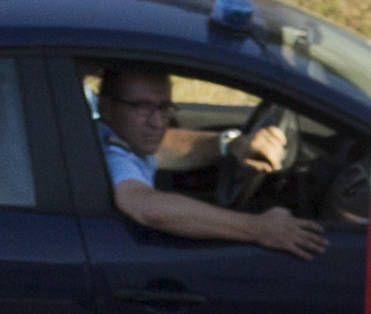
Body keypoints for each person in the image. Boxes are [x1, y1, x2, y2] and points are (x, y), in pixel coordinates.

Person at [93, 63, 325, 260]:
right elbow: (144, 205)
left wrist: (232, 145)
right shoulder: (113, 156)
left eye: (164, 107)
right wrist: (258, 228)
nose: (158, 122)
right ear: (106, 107)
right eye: (142, 107)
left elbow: (165, 147)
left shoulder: (112, 135)